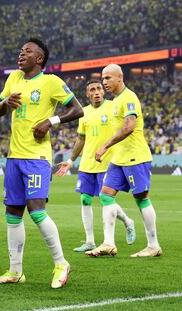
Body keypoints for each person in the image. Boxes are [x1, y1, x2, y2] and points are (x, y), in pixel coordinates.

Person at [0, 38, 83, 289]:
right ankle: (15, 271)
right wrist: (4, 103)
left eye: (27, 51)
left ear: (39, 59)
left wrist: (51, 122)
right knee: (13, 213)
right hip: (14, 157)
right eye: (20, 50)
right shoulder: (13, 79)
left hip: (37, 157)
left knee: (37, 210)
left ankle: (61, 263)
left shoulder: (51, 82)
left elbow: (77, 109)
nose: (21, 54)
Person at [85, 64, 162, 258]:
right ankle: (108, 243)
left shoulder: (129, 98)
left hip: (135, 156)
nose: (104, 82)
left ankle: (153, 245)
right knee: (105, 196)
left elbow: (129, 127)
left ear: (120, 77)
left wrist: (105, 146)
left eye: (108, 78)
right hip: (119, 159)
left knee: (141, 198)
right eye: (103, 78)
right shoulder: (116, 100)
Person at [56, 79, 136, 252]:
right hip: (87, 164)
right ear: (87, 94)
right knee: (84, 199)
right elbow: (81, 139)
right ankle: (90, 241)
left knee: (106, 199)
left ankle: (125, 225)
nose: (97, 92)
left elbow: (127, 129)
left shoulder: (114, 107)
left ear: (103, 91)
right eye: (92, 89)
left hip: (108, 163)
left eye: (99, 88)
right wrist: (70, 161)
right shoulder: (83, 112)